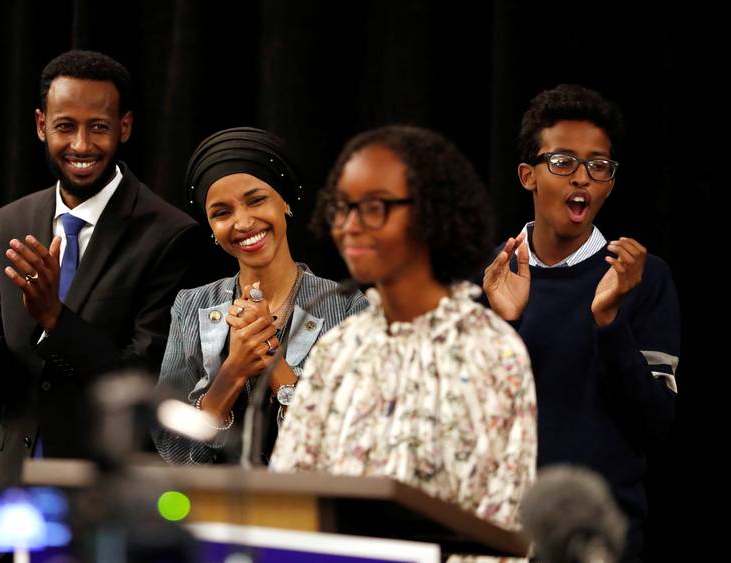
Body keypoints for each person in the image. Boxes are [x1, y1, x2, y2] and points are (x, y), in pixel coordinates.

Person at [0, 50, 200, 492]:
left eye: (99, 127)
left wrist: (55, 319)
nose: (82, 145)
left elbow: (143, 384)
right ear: (40, 125)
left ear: (124, 127)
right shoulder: (7, 223)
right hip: (14, 493)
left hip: (105, 498)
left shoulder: (169, 236)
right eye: (65, 126)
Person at [270, 125, 537, 552]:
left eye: (374, 208)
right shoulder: (337, 350)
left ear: (432, 214)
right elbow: (292, 495)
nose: (350, 226)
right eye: (343, 208)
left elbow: (503, 522)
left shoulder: (492, 350)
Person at [481, 84, 680, 559]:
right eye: (564, 162)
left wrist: (609, 322)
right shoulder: (489, 278)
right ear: (528, 176)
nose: (582, 178)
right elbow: (462, 423)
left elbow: (655, 424)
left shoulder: (642, 278)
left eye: (598, 166)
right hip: (495, 539)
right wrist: (504, 327)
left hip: (596, 545)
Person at [153, 127, 367, 465]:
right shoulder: (191, 307)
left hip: (307, 511)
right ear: (210, 227)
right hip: (213, 511)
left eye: (256, 200)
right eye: (222, 212)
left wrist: (274, 363)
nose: (243, 222)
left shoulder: (347, 307)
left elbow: (353, 443)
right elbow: (171, 449)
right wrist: (233, 372)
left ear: (285, 201)